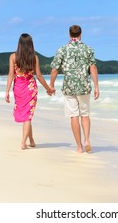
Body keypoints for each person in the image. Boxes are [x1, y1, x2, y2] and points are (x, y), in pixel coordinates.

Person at [50, 25, 99, 153]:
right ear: (81, 34)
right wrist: (96, 87)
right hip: (84, 86)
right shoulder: (88, 49)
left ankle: (79, 147)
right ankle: (87, 139)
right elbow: (93, 68)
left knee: (74, 116)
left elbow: (54, 69)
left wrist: (51, 85)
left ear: (69, 34)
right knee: (85, 114)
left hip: (69, 87)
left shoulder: (62, 50)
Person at [5, 33, 54, 150]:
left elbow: (11, 74)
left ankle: (31, 140)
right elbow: (40, 76)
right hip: (30, 89)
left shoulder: (13, 57)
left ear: (20, 44)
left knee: (27, 115)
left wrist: (7, 91)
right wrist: (48, 89)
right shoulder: (34, 58)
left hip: (18, 88)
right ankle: (23, 142)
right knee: (27, 116)